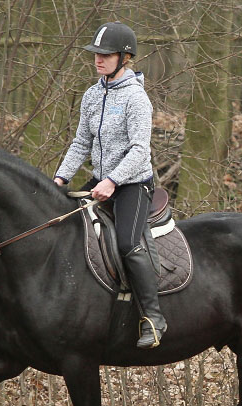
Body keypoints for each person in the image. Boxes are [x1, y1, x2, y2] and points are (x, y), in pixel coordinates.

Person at [53, 22, 167, 349]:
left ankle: (154, 319)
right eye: (96, 54)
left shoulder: (136, 98)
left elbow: (139, 150)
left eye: (106, 55)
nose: (98, 60)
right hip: (101, 179)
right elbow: (80, 143)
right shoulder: (91, 95)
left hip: (132, 183)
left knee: (128, 245)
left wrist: (113, 180)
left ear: (125, 57)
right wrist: (59, 179)